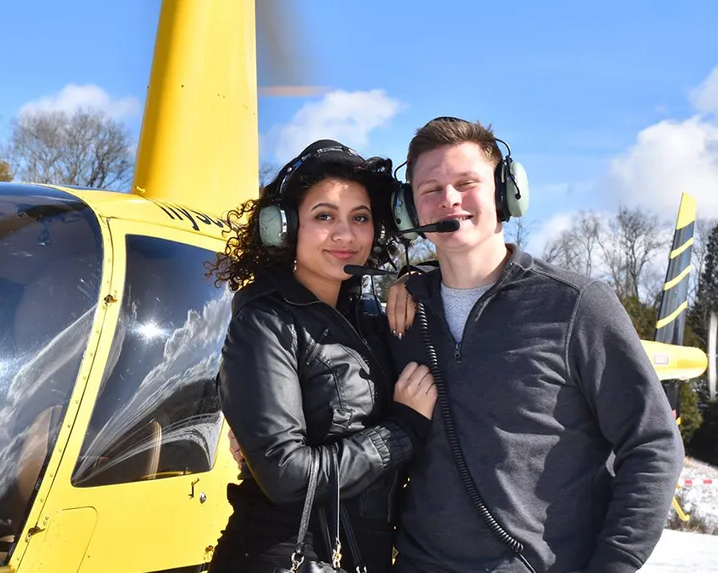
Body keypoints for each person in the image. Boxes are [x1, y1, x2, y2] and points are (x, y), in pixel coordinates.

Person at [385, 116, 684, 572]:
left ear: (505, 194)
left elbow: (654, 444)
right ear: (411, 210)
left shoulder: (576, 305)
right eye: (430, 189)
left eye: (467, 183)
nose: (449, 199)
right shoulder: (402, 314)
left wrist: (615, 563)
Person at [205, 139, 437, 573]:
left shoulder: (368, 317)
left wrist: (423, 276)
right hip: (283, 558)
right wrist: (402, 430)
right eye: (324, 216)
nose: (345, 235)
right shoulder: (265, 322)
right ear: (286, 228)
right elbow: (288, 477)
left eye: (360, 218)